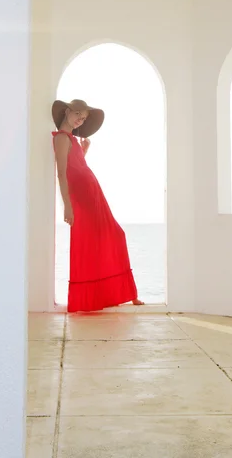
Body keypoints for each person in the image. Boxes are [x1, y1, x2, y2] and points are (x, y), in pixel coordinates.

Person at [52, 98, 144, 312]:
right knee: (92, 241)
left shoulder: (72, 140)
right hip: (83, 198)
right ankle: (94, 297)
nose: (79, 121)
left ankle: (120, 294)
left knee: (113, 235)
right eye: (77, 115)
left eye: (83, 118)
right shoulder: (61, 139)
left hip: (93, 194)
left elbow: (77, 166)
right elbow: (62, 173)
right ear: (67, 111)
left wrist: (84, 150)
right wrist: (67, 205)